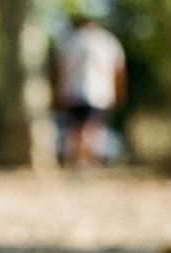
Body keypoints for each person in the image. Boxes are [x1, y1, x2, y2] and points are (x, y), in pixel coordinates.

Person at [54, 13, 127, 167]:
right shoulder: (107, 41)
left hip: (72, 91)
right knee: (90, 127)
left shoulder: (70, 40)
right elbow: (119, 69)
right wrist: (119, 91)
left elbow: (59, 69)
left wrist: (57, 91)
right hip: (98, 93)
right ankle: (83, 160)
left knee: (75, 127)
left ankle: (76, 159)